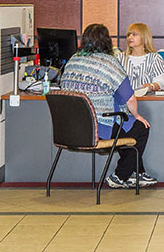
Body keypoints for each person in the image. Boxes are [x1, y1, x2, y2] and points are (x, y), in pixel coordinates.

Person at [59, 23, 158, 188]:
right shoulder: (109, 63)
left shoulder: (72, 60)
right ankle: (119, 176)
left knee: (127, 130)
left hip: (71, 129)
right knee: (140, 128)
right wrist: (136, 115)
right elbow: (130, 99)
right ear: (107, 42)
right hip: (98, 129)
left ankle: (137, 173)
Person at [117, 22, 164, 93]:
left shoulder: (155, 58)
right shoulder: (120, 58)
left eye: (134, 35)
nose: (130, 37)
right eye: (129, 35)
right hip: (124, 101)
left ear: (144, 37)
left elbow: (161, 81)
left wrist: (151, 86)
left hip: (148, 100)